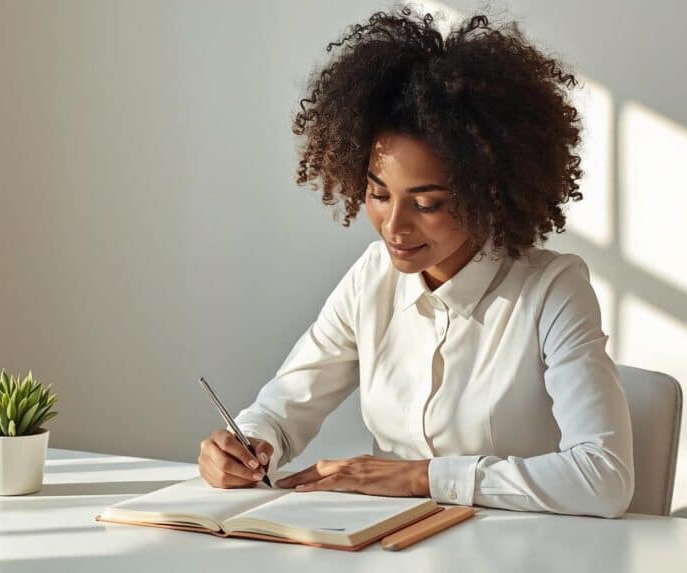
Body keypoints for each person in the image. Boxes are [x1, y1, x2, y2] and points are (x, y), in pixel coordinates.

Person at [197, 8, 634, 518]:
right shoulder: (372, 277)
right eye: (378, 194)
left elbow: (604, 477)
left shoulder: (552, 290)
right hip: (391, 545)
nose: (394, 227)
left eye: (427, 204)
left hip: (523, 550)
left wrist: (420, 477)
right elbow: (284, 405)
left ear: (488, 194)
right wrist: (247, 443)